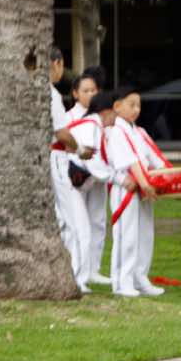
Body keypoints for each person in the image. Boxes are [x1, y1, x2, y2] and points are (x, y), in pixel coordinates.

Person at [101, 89, 164, 297]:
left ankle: (140, 277)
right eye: (131, 104)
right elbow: (130, 162)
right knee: (126, 236)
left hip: (144, 188)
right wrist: (144, 183)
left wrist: (171, 179)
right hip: (126, 189)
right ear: (117, 106)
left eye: (138, 105)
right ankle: (122, 282)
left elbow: (155, 159)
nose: (136, 109)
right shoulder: (116, 131)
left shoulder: (139, 131)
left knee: (145, 235)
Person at [47, 49, 90, 289]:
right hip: (55, 157)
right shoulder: (51, 94)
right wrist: (80, 149)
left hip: (49, 157)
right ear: (57, 63)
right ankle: (73, 276)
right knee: (70, 221)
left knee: (61, 218)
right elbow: (62, 133)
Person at [71, 68, 112, 287]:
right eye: (86, 90)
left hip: (94, 180)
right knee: (80, 227)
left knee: (97, 221)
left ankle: (93, 268)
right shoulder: (72, 117)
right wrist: (112, 175)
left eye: (94, 90)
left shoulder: (99, 119)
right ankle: (79, 272)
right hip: (76, 177)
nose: (90, 94)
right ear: (75, 93)